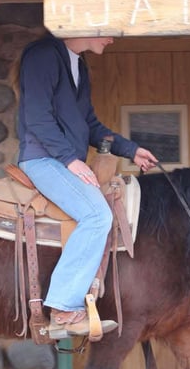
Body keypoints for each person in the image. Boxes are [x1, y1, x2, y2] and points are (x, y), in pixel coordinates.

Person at [16, 32, 158, 340]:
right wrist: (70, 160)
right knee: (97, 215)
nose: (112, 39)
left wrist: (130, 149)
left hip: (61, 160)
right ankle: (64, 310)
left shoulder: (78, 64)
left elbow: (90, 124)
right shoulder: (42, 55)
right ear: (84, 25)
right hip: (42, 160)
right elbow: (37, 119)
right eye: (107, 30)